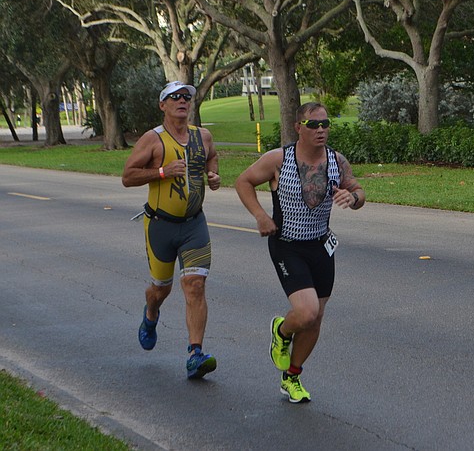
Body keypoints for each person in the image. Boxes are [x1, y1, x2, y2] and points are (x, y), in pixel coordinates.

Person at [235, 101, 364, 403]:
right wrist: (260, 215)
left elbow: (359, 191)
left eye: (325, 124)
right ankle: (281, 331)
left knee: (316, 319)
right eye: (313, 125)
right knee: (306, 312)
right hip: (287, 244)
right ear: (298, 128)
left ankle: (292, 376)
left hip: (321, 246)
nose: (321, 129)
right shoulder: (279, 159)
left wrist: (353, 196)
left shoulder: (336, 160)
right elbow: (243, 181)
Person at [122, 81, 221, 379]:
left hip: (194, 225)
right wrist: (163, 172)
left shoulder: (202, 136)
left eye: (186, 97)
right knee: (160, 290)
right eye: (174, 97)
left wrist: (213, 174)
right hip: (160, 226)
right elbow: (127, 176)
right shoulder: (153, 140)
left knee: (195, 285)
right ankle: (150, 314)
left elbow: (212, 155)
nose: (182, 101)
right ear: (162, 105)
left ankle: (195, 354)